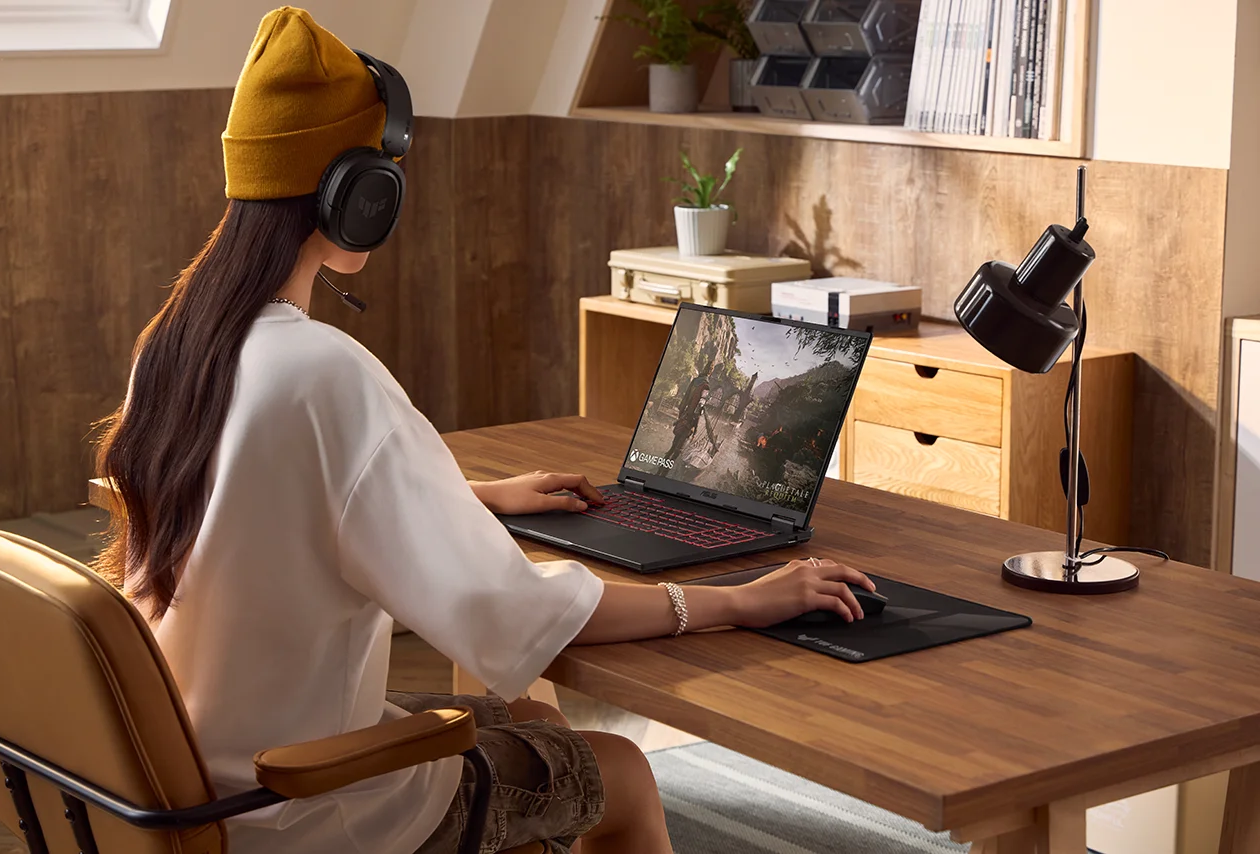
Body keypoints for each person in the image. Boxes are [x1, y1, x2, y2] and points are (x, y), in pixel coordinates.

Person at [92, 8, 876, 854]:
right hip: (305, 802)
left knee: (536, 716)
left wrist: (474, 498)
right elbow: (508, 612)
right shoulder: (325, 372)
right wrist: (740, 601)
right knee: (623, 775)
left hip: (189, 778)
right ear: (357, 197)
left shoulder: (179, 347)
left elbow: (272, 500)